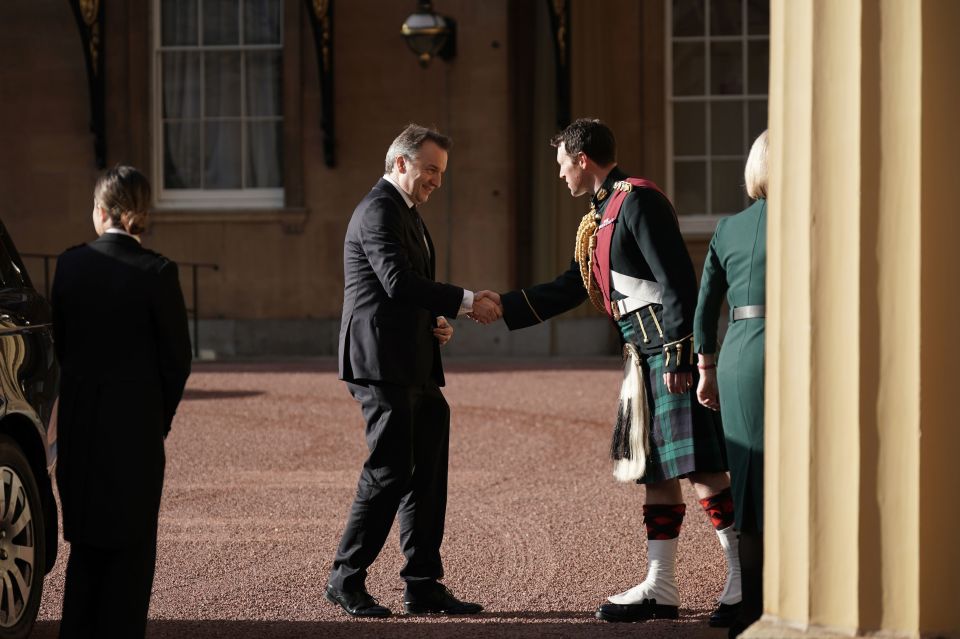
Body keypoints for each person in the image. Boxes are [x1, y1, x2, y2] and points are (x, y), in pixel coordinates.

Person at [476, 118, 741, 625]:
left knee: (703, 468)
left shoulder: (637, 200)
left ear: (582, 160)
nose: (560, 177)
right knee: (655, 470)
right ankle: (661, 586)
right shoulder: (601, 215)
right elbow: (573, 285)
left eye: (562, 166)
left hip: (666, 350)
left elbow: (679, 282)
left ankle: (743, 574)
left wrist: (683, 356)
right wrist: (504, 306)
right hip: (641, 354)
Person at [326, 123, 497, 618]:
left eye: (441, 173)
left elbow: (407, 289)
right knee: (390, 470)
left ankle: (422, 584)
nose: (436, 182)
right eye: (430, 170)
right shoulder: (378, 210)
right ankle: (345, 578)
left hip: (414, 359)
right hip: (380, 364)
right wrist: (466, 303)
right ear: (400, 162)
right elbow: (398, 282)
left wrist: (436, 320)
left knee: (427, 473)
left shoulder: (407, 212)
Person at [51, 165, 192, 638]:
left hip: (80, 430)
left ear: (101, 209)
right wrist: (159, 419)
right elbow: (177, 362)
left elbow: (64, 349)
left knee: (85, 550)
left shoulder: (69, 265)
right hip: (135, 431)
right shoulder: (158, 272)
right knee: (132, 556)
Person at [694, 129, 768, 638]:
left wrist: (706, 368)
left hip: (743, 349)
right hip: (801, 346)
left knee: (748, 478)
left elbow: (705, 309)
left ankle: (751, 607)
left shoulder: (728, 227)